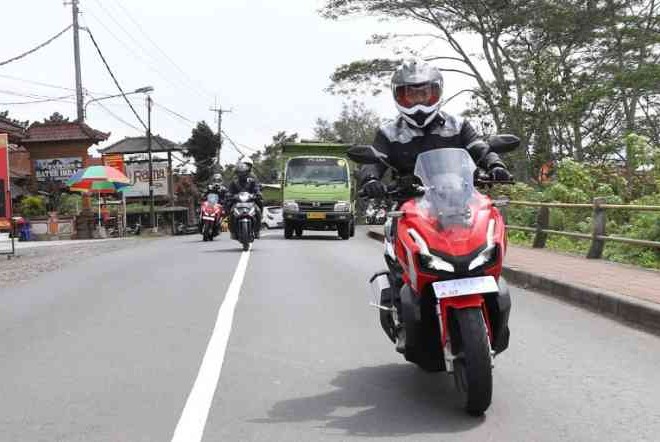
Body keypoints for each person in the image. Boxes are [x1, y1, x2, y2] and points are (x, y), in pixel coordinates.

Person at [358, 59, 513, 352]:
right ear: (399, 96)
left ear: (436, 93)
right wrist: (370, 180)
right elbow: (372, 161)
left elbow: (479, 148)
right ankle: (400, 309)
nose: (418, 100)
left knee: (482, 246)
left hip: (458, 202)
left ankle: (487, 304)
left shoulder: (457, 125)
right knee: (398, 260)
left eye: (424, 93)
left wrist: (495, 164)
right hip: (410, 207)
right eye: (410, 94)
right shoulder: (389, 132)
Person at [226, 159, 263, 238]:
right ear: (237, 173)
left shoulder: (252, 180)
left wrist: (257, 193)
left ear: (247, 172)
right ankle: (232, 231)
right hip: (237, 202)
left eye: (244, 172)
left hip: (250, 202)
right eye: (240, 172)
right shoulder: (234, 182)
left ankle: (257, 230)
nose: (242, 174)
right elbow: (229, 191)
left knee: (258, 210)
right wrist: (229, 195)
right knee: (230, 213)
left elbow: (256, 188)